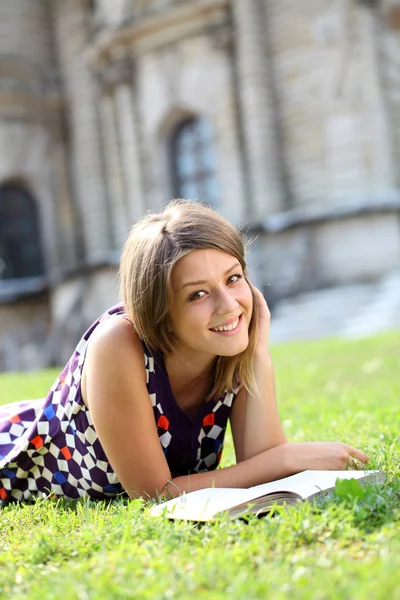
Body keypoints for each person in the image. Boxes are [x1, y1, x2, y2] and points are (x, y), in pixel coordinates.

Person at [0, 200, 369, 503]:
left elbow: (262, 464)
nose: (229, 305)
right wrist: (289, 457)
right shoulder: (118, 343)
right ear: (159, 309)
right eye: (198, 294)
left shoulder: (229, 343)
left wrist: (256, 353)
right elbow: (154, 494)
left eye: (233, 278)